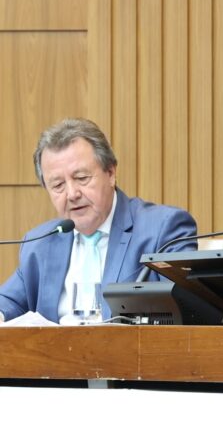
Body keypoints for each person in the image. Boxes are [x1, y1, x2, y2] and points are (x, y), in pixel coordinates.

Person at [0, 118, 197, 323]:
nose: (72, 194)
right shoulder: (39, 243)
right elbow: (8, 301)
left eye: (82, 178)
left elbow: (188, 310)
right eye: (58, 185)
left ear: (110, 173)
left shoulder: (163, 229)